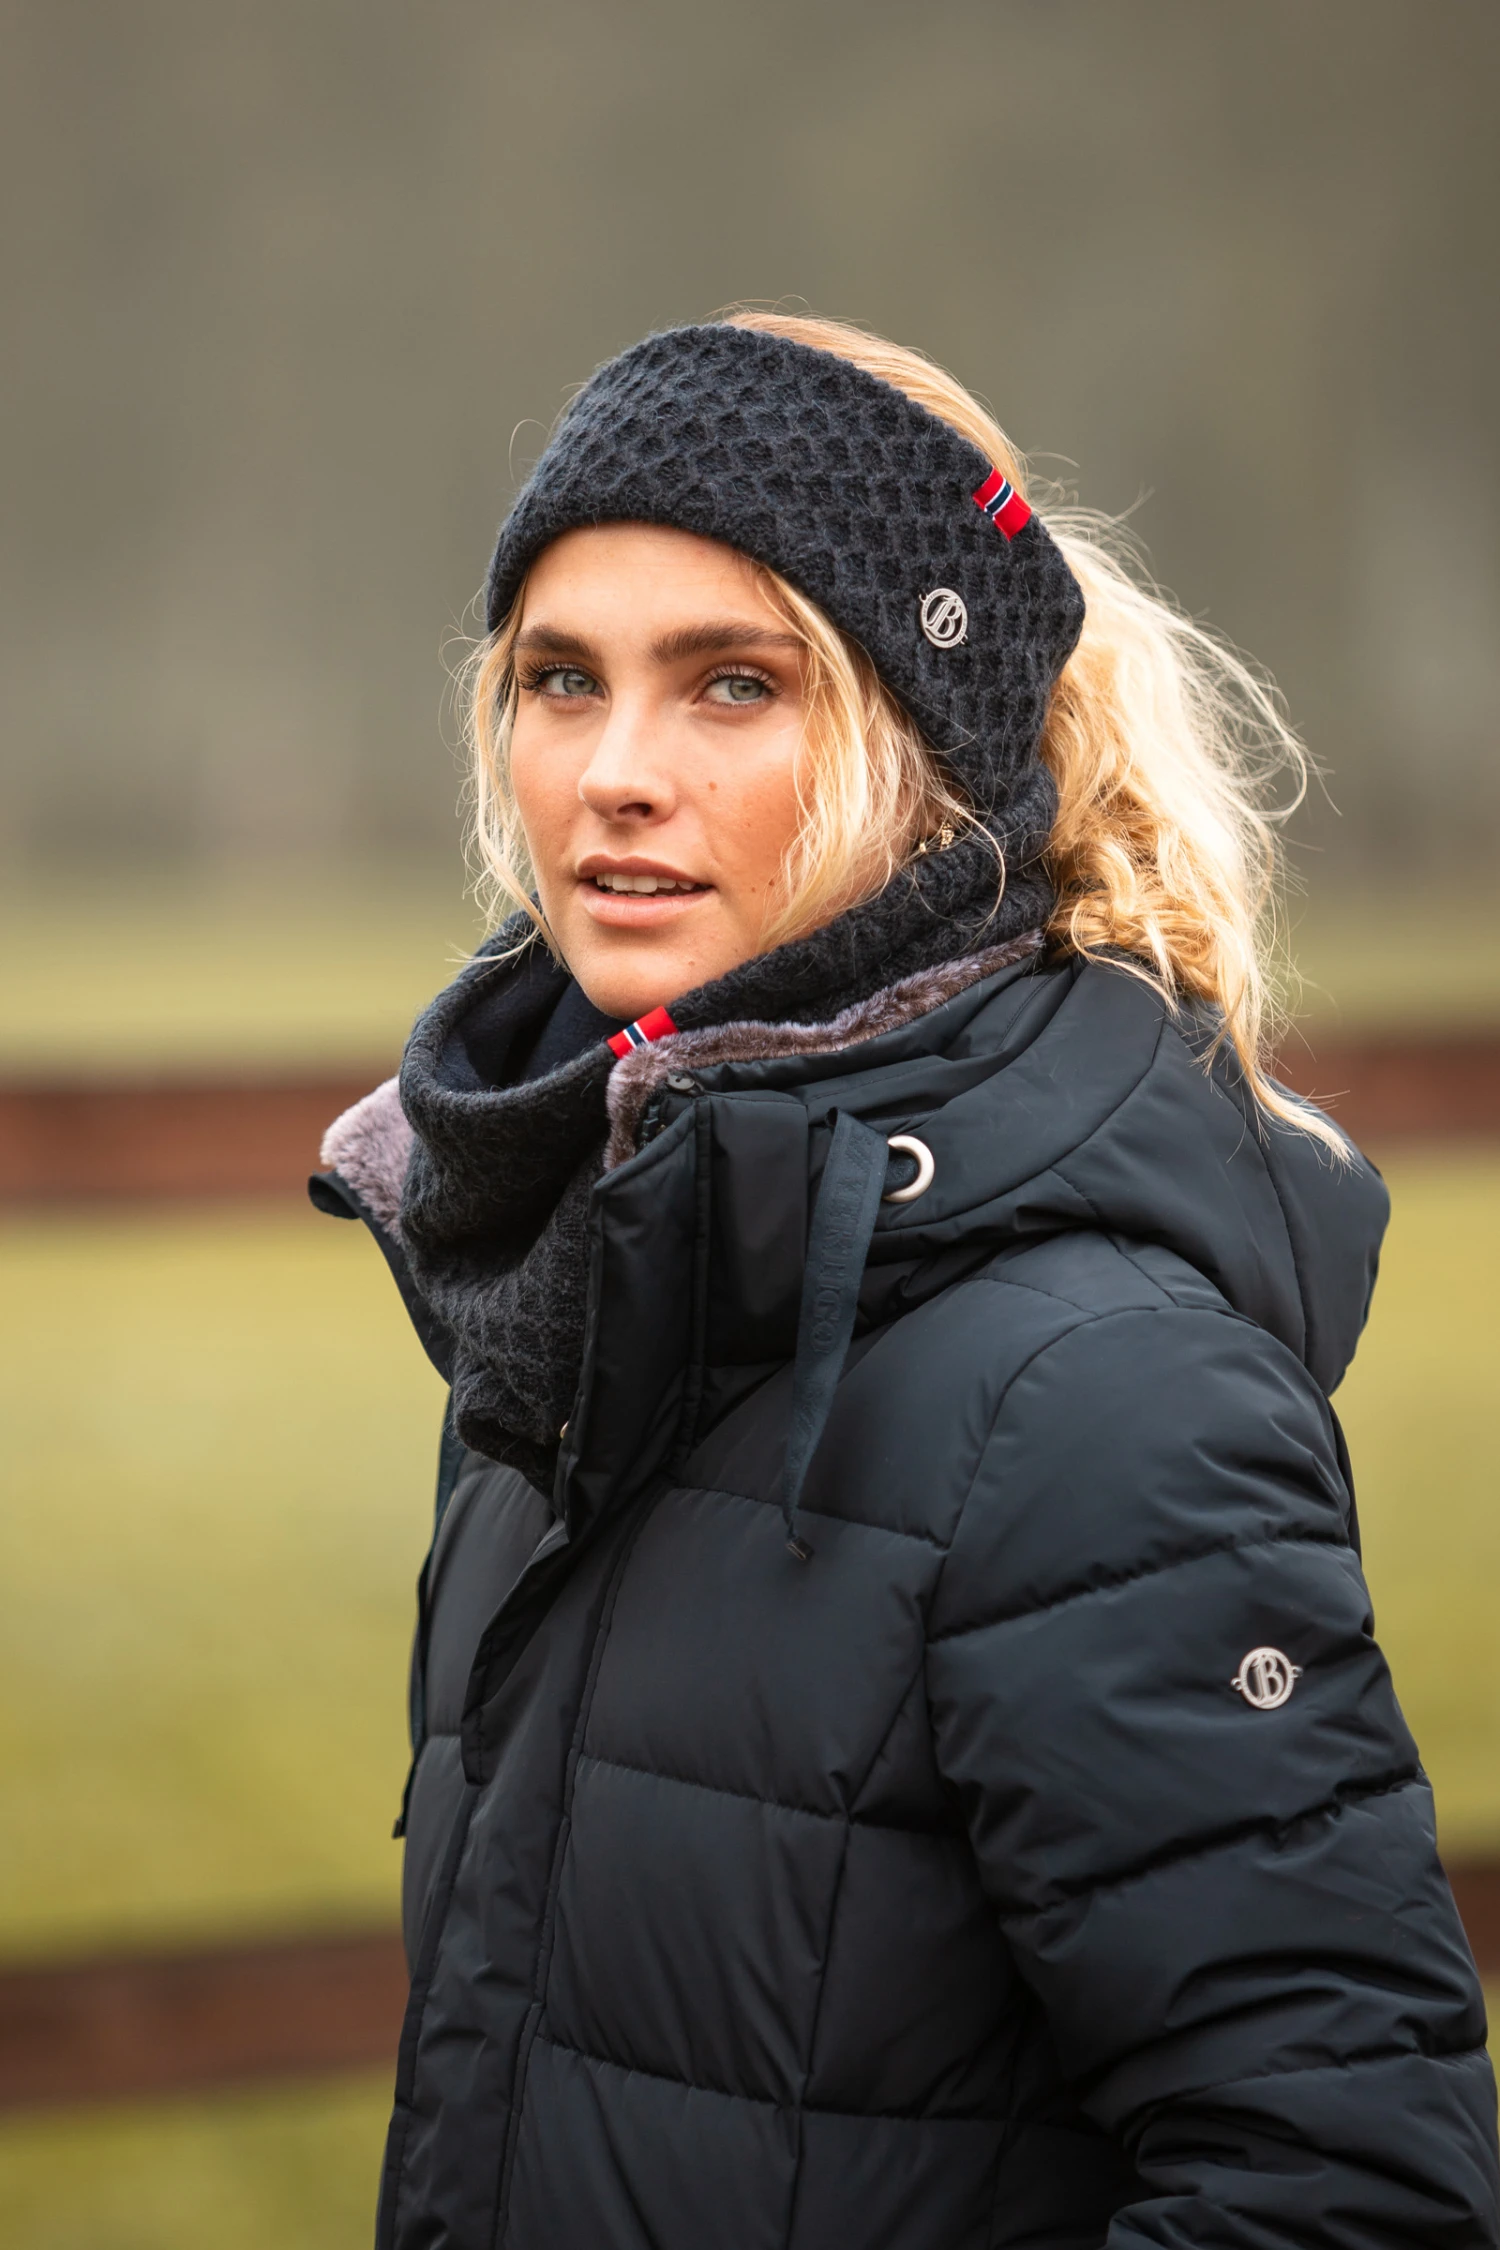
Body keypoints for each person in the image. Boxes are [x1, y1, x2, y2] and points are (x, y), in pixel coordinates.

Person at [312, 312, 1498, 2250]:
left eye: (735, 684)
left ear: (923, 752)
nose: (614, 772)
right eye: (559, 678)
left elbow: (1349, 2191)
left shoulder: (1101, 1398)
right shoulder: (569, 1294)